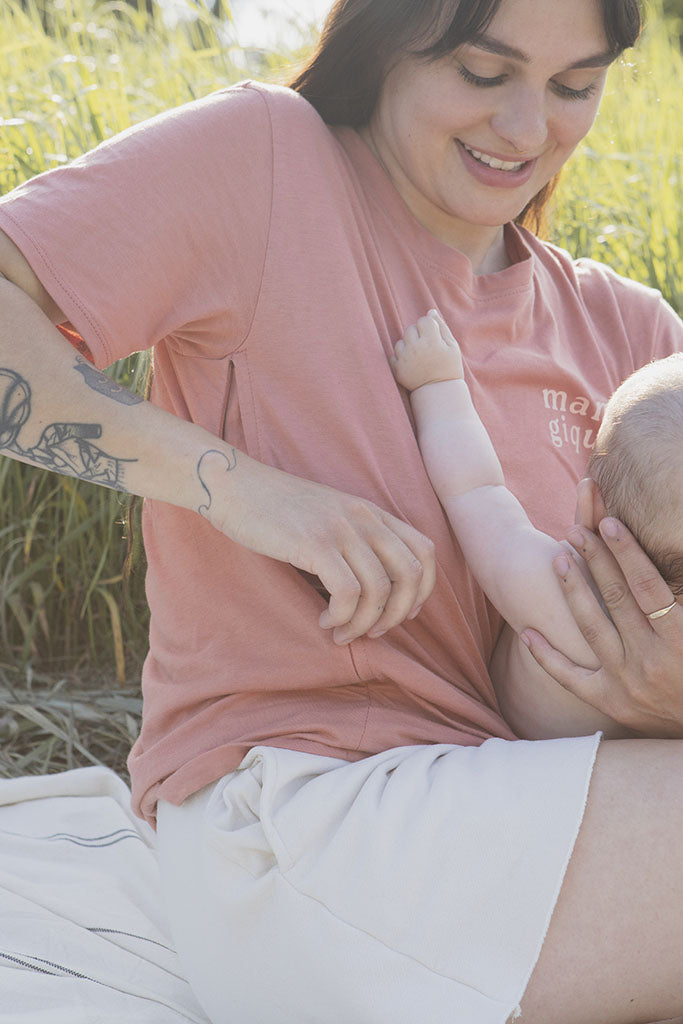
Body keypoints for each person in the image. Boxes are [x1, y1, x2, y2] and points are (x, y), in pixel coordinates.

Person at [0, 0, 682, 1020]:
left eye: (572, 86)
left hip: (522, 814)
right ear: (386, 42)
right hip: (304, 824)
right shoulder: (270, 163)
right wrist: (241, 488)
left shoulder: (627, 335)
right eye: (481, 72)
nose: (526, 128)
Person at [391, 310, 683, 740]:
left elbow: (475, 490)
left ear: (591, 507)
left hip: (536, 765)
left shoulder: (550, 586)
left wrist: (438, 385)